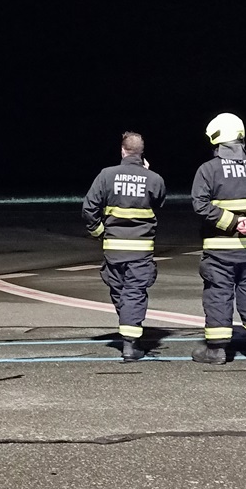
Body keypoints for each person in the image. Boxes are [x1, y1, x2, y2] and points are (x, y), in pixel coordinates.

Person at [190, 113, 246, 364]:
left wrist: (233, 223)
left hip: (219, 249)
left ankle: (216, 351)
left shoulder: (208, 170)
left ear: (217, 138)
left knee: (218, 294)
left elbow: (200, 205)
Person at [81, 131, 166, 362]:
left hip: (114, 248)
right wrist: (146, 174)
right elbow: (158, 201)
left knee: (119, 291)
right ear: (141, 153)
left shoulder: (106, 176)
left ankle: (128, 335)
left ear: (122, 150)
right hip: (141, 248)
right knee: (135, 293)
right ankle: (131, 342)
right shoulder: (155, 178)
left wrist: (99, 232)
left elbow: (89, 208)